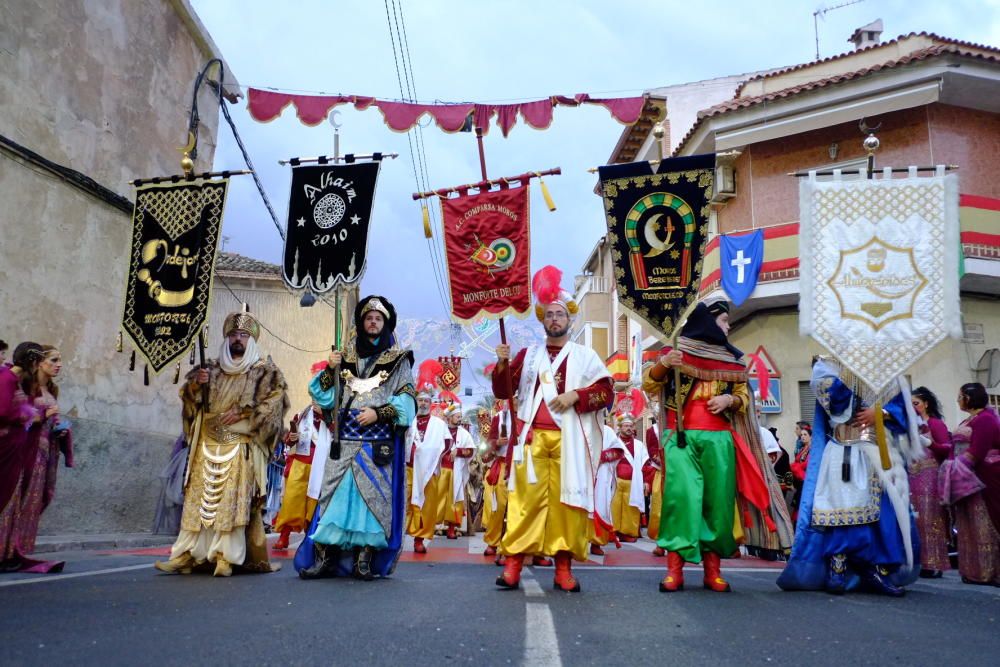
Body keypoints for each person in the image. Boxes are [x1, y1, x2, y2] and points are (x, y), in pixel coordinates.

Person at [644, 301, 793, 593]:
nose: (728, 326)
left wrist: (730, 401)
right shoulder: (677, 352)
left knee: (718, 504)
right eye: (724, 321)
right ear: (709, 322)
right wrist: (664, 364)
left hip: (719, 438)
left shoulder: (731, 359)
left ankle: (713, 570)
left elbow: (744, 397)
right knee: (681, 501)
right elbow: (650, 385)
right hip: (681, 436)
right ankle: (675, 570)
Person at [492, 266, 613, 592]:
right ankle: (514, 566)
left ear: (569, 319)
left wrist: (577, 395)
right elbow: (504, 392)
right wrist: (502, 364)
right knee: (523, 503)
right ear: (542, 319)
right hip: (531, 441)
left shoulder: (586, 357)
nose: (555, 319)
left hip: (569, 441)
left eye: (560, 314)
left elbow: (606, 392)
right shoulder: (527, 356)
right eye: (550, 314)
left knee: (567, 506)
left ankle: (563, 569)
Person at [155, 312, 289, 577]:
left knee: (232, 503)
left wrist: (245, 411)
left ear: (251, 340)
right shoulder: (210, 369)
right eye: (233, 335)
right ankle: (186, 555)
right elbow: (190, 403)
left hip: (239, 445)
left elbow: (275, 404)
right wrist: (195, 386)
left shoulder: (265, 372)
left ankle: (225, 557)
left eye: (243, 335)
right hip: (205, 443)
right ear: (227, 337)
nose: (237, 339)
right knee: (197, 502)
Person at [777, 356, 922, 596]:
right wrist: (852, 370)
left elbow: (905, 410)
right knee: (841, 508)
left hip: (878, 454)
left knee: (883, 514)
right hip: (843, 449)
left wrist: (881, 412)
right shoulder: (827, 366)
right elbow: (834, 404)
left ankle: (878, 569)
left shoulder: (888, 369)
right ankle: (838, 566)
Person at [295, 296, 416, 581]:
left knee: (371, 502)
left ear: (385, 324)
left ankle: (364, 561)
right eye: (368, 318)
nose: (373, 322)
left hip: (376, 444)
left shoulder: (398, 361)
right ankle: (325, 559)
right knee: (334, 499)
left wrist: (379, 413)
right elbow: (323, 395)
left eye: (378, 318)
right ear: (361, 323)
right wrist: (329, 368)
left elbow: (408, 403)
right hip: (344, 440)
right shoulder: (345, 358)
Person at [1, 343, 72, 573]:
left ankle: (15, 548)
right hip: (23, 449)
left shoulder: (52, 390)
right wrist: (40, 416)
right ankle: (6, 550)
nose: (58, 365)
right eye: (53, 360)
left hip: (43, 450)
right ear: (38, 362)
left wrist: (59, 429)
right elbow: (14, 414)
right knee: (12, 499)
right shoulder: (20, 384)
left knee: (31, 502)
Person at [273, 361, 335, 551]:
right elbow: (289, 441)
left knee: (313, 503)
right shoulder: (302, 414)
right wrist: (291, 438)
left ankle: (310, 536)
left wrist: (325, 415)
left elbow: (337, 435)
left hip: (321, 465)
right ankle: (284, 535)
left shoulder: (333, 416)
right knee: (292, 500)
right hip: (301, 462)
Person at [949, 382, 1000, 586]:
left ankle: (993, 572)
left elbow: (978, 451)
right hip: (968, 476)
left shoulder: (986, 420)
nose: (958, 400)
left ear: (968, 398)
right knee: (971, 524)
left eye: (960, 396)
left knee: (989, 522)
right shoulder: (972, 419)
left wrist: (953, 469)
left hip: (985, 476)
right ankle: (977, 572)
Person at [908, 386, 952, 578]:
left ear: (926, 404)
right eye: (909, 405)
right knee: (915, 520)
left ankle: (934, 564)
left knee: (931, 519)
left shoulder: (935, 424)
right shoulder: (908, 426)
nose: (913, 407)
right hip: (911, 477)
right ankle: (917, 562)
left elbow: (947, 449)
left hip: (930, 476)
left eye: (916, 403)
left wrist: (931, 444)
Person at [406, 365, 448, 554]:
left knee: (427, 505)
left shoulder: (439, 424)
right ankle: (399, 535)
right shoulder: (408, 421)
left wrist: (433, 458)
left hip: (429, 471)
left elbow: (447, 445)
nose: (422, 403)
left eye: (425, 401)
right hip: (408, 469)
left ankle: (419, 538)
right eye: (420, 400)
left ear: (431, 403)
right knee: (405, 503)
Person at [599, 414, 648, 543]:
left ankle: (628, 532)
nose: (629, 428)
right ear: (620, 427)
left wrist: (646, 482)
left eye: (631, 426)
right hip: (616, 480)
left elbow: (645, 464)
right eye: (626, 426)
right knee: (613, 507)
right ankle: (613, 531)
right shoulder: (614, 442)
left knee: (630, 508)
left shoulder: (639, 445)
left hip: (633, 482)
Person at [436, 403, 474, 539]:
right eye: (457, 416)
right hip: (440, 470)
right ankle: (435, 526)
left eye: (460, 417)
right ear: (450, 417)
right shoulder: (440, 431)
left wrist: (458, 451)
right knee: (437, 498)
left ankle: (451, 529)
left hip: (455, 472)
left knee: (453, 500)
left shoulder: (464, 434)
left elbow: (471, 451)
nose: (460, 419)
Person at [482, 399, 512, 557]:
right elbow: (489, 442)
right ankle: (493, 542)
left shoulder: (529, 414)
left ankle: (526, 547)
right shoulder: (499, 417)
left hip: (524, 467)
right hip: (502, 466)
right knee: (498, 507)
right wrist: (497, 442)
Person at [644, 418, 665, 556]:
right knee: (658, 508)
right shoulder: (653, 430)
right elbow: (652, 451)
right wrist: (661, 459)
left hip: (681, 470)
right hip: (661, 471)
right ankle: (660, 542)